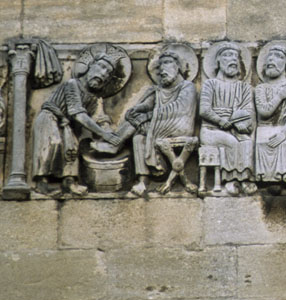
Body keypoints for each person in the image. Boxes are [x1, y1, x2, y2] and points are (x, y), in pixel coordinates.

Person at [32, 44, 125, 196]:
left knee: (72, 149)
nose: (103, 74)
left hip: (67, 126)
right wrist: (103, 133)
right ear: (90, 66)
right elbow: (79, 115)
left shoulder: (95, 98)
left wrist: (111, 133)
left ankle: (69, 182)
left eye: (108, 73)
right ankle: (42, 182)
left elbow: (99, 119)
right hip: (50, 119)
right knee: (53, 143)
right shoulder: (72, 84)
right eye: (101, 66)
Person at [116, 47, 199, 196]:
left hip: (180, 124)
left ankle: (115, 143)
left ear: (178, 67)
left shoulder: (188, 87)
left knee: (141, 125)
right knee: (139, 137)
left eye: (166, 63)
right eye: (160, 67)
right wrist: (137, 109)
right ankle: (143, 180)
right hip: (161, 123)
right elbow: (149, 104)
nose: (161, 70)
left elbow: (179, 108)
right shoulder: (159, 89)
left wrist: (148, 117)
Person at [199, 43, 257, 196]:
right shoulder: (210, 84)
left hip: (235, 128)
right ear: (218, 61)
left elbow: (248, 110)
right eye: (227, 55)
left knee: (247, 142)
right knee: (231, 143)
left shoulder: (243, 87)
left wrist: (242, 124)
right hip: (211, 130)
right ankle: (230, 180)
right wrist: (220, 121)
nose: (233, 60)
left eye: (236, 57)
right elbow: (204, 110)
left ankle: (244, 178)